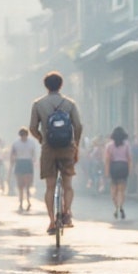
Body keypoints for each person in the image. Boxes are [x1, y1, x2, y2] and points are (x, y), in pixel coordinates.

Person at [29, 71, 83, 235]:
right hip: (67, 148)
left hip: (48, 149)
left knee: (50, 187)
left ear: (46, 86)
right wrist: (76, 145)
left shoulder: (38, 104)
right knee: (67, 185)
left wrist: (41, 138)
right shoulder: (70, 104)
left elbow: (32, 127)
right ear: (61, 85)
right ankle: (67, 213)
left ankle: (52, 221)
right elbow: (78, 126)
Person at [104, 126, 132, 219]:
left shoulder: (109, 146)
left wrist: (107, 172)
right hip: (123, 167)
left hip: (114, 167)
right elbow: (129, 159)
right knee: (121, 190)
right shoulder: (127, 145)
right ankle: (121, 206)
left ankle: (116, 207)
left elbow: (107, 160)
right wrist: (130, 170)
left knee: (114, 191)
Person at [9, 127, 38, 213]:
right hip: (20, 162)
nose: (23, 137)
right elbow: (12, 154)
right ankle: (21, 202)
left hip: (28, 162)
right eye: (22, 136)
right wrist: (12, 164)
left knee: (28, 186)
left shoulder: (31, 143)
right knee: (20, 185)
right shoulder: (16, 143)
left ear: (27, 135)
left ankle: (28, 201)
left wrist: (34, 161)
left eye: (24, 135)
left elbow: (34, 154)